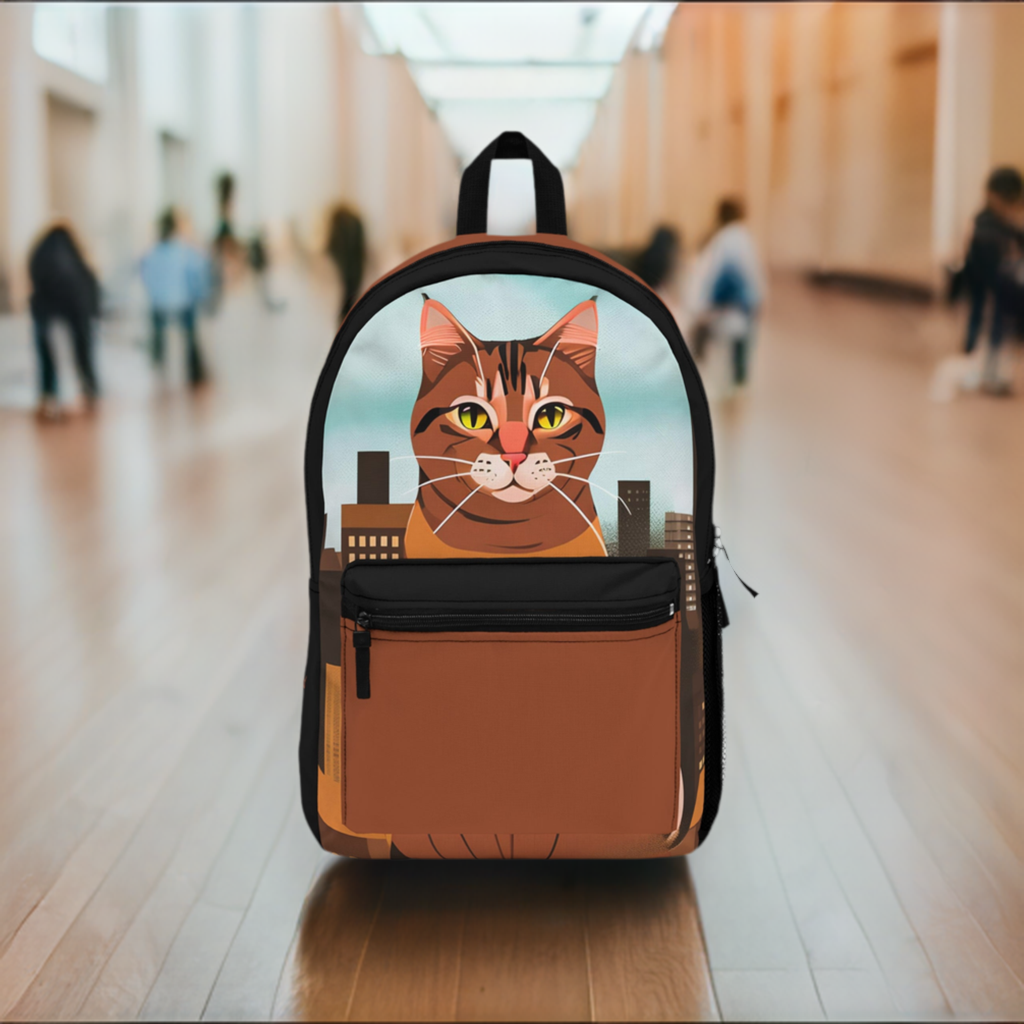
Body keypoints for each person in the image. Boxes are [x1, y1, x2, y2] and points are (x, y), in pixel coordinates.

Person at [686, 197, 765, 388]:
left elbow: (706, 276)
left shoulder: (718, 239)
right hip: (742, 308)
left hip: (719, 308)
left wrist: (699, 307)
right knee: (739, 351)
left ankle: (691, 378)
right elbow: (754, 276)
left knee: (701, 346)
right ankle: (738, 386)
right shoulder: (745, 239)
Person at [28, 223, 101, 420]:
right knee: (82, 352)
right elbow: (91, 287)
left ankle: (49, 396)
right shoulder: (76, 259)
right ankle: (87, 390)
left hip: (46, 312)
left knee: (48, 357)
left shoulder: (41, 256)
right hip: (76, 312)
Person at [961, 166, 1024, 395]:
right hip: (981, 277)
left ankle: (989, 370)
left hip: (999, 282)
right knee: (979, 318)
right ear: (991, 195)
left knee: (997, 323)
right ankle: (975, 364)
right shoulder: (984, 222)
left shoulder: (1006, 223)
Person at [140, 208, 211, 387]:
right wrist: (200, 297)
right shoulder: (185, 251)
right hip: (183, 304)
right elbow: (197, 276)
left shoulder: (152, 253)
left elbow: (147, 279)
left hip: (159, 306)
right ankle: (195, 372)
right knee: (190, 333)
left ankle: (158, 362)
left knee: (157, 330)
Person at [326, 205, 366, 322]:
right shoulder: (356, 223)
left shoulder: (340, 225)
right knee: (351, 290)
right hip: (355, 265)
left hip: (347, 264)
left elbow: (332, 245)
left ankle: (345, 316)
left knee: (347, 291)